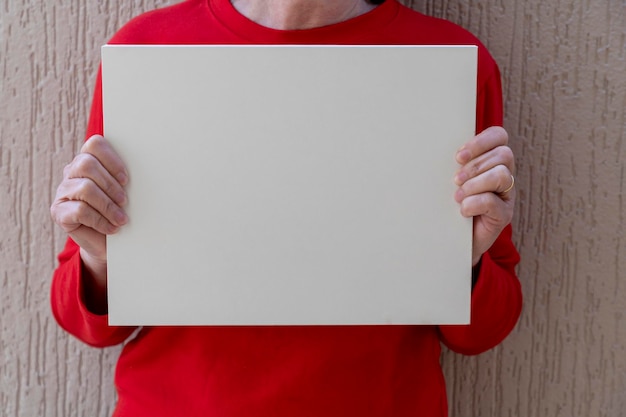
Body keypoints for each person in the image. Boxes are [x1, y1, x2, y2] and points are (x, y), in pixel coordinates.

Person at [50, 0, 522, 416]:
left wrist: (469, 258)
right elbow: (87, 323)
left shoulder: (446, 64)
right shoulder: (147, 51)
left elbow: (483, 332)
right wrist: (99, 256)